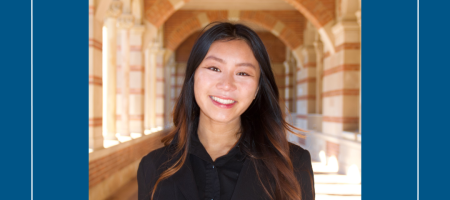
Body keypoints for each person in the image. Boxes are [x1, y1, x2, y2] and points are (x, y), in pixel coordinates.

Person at [137, 22, 315, 200]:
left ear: (258, 89)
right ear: (193, 78)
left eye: (243, 73)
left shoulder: (293, 166)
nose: (227, 85)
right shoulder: (153, 167)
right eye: (214, 68)